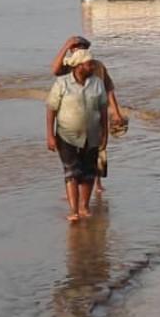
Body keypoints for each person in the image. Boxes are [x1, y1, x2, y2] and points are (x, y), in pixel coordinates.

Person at [51, 36, 124, 195]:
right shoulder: (70, 66)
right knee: (74, 155)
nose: (76, 50)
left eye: (79, 47)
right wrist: (65, 45)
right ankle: (75, 187)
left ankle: (96, 182)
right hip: (73, 117)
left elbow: (109, 89)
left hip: (96, 113)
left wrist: (116, 112)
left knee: (98, 150)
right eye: (74, 48)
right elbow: (55, 70)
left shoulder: (97, 67)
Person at [46, 48, 109, 222]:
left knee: (89, 172)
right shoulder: (62, 83)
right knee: (72, 172)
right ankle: (74, 210)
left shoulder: (97, 83)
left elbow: (103, 110)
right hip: (66, 135)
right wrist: (50, 135)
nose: (93, 66)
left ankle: (85, 206)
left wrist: (105, 134)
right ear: (79, 66)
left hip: (92, 135)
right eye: (90, 64)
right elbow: (51, 109)